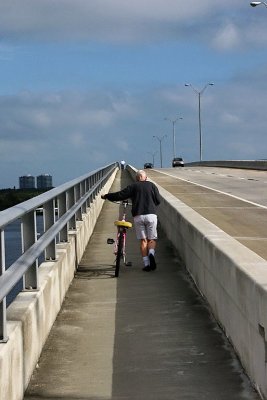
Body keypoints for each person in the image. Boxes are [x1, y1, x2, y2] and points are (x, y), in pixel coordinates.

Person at [101, 169, 161, 271]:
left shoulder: (133, 186)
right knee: (152, 239)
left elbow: (120, 195)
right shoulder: (152, 185)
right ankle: (151, 253)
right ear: (145, 178)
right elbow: (158, 200)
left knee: (143, 240)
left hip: (138, 215)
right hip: (151, 215)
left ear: (137, 178)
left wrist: (107, 196)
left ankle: (146, 265)